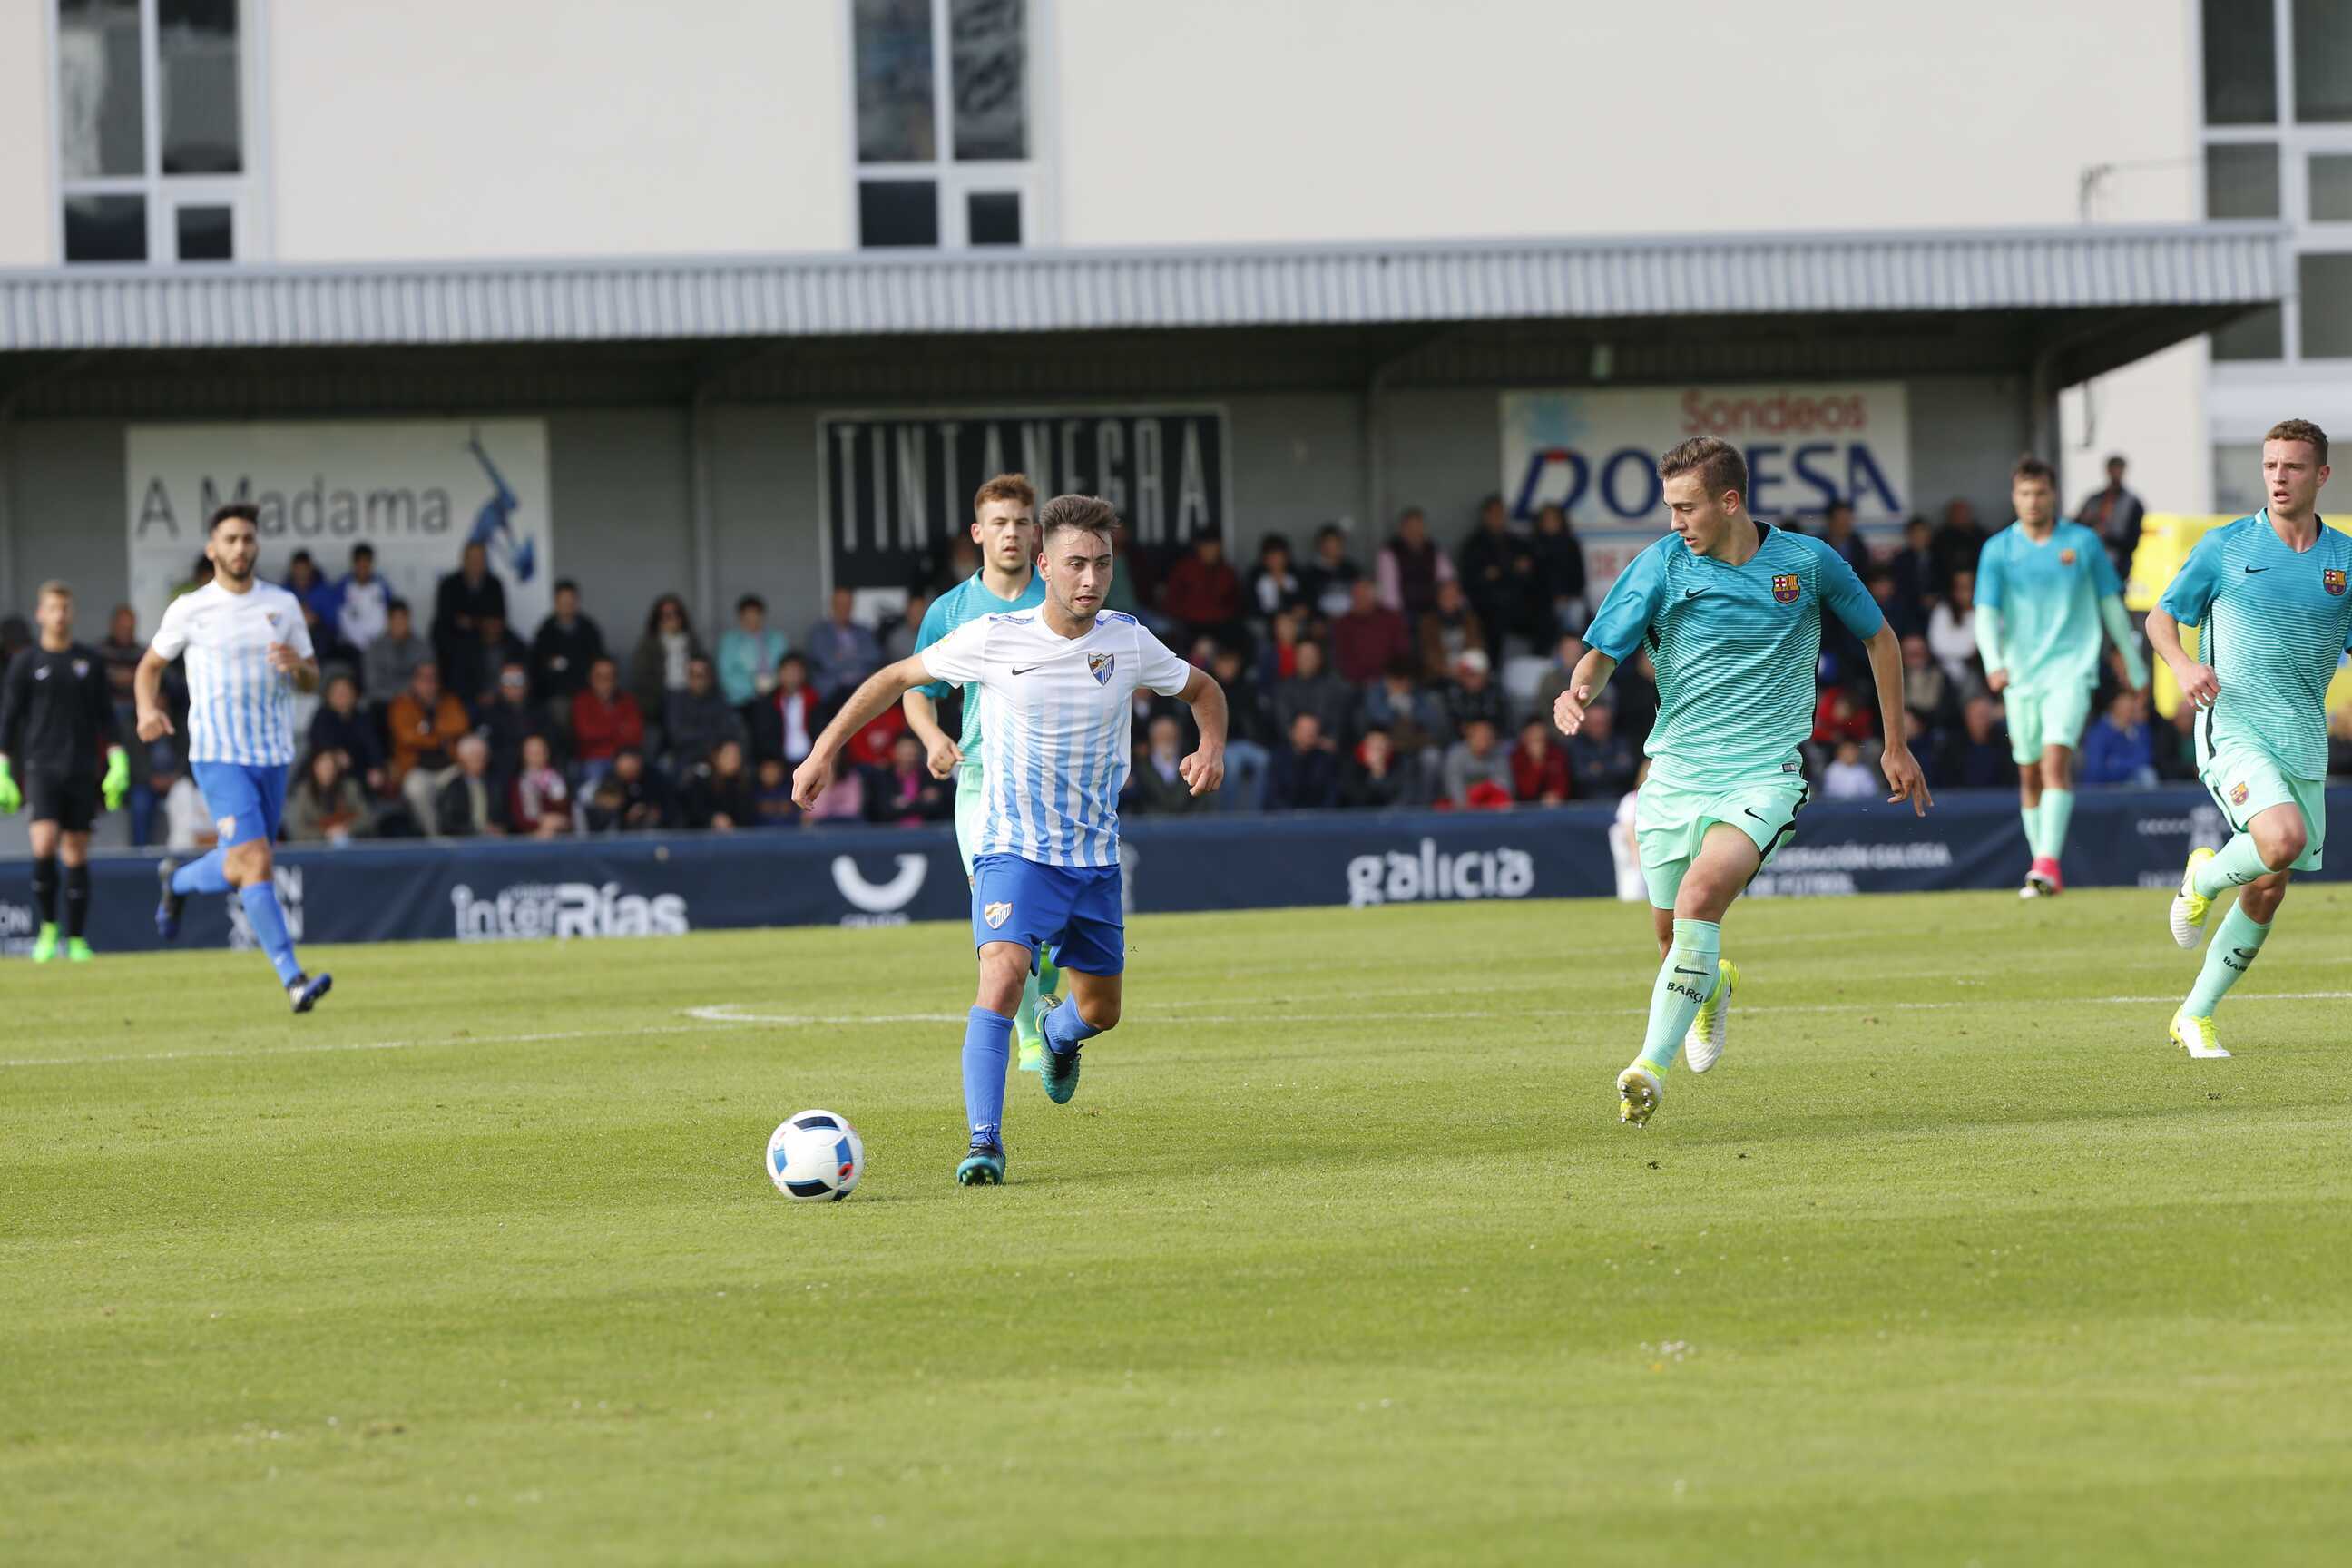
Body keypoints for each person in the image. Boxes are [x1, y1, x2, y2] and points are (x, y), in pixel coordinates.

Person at [791, 493, 1228, 1187]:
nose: (1091, 578)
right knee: (1001, 974)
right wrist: (822, 752)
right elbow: (897, 678)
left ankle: (1056, 1035)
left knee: (1101, 1012)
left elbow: (1204, 690)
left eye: (1103, 564)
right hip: (1013, 849)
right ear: (1045, 566)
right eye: (1076, 564)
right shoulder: (995, 638)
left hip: (1093, 859)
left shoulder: (1128, 640)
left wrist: (1211, 748)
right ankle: (985, 1143)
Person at [1557, 436, 1928, 1127]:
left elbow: (1880, 638)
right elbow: (1601, 655)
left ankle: (1647, 1070)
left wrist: (1895, 744)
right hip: (1674, 776)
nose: (1675, 523)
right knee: (1672, 941)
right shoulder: (1661, 565)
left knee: (1700, 899)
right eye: (1670, 509)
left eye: (1686, 508)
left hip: (1763, 774)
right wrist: (1576, 691)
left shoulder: (1807, 563)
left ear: (1730, 502)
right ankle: (1714, 985)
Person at [2149, 419, 2352, 1060]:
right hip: (2234, 729)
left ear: (2321, 475)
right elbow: (2161, 618)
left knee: (2269, 884)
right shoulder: (2226, 546)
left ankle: (2194, 1015)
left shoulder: (2345, 561)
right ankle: (2203, 879)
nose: (2279, 478)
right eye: (2270, 466)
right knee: (2280, 841)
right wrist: (2183, 666)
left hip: (2304, 741)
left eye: (2293, 467)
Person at [137, 505, 332, 1012]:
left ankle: (177, 880)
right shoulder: (191, 609)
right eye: (230, 539)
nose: (240, 547)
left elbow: (312, 677)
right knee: (256, 859)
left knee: (242, 862)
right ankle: (293, 978)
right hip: (218, 756)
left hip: (273, 754)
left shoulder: (282, 605)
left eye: (247, 538)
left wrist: (297, 666)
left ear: (256, 546)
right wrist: (146, 710)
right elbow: (149, 667)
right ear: (212, 549)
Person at [902, 474, 1059, 1068]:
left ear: (1036, 532)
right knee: (1000, 916)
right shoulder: (952, 611)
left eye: (1020, 522)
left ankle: (1045, 978)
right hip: (981, 783)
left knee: (1051, 926)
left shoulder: (1060, 599)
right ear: (978, 533)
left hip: (1052, 782)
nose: (1010, 533)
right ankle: (1031, 1038)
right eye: (999, 523)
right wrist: (933, 737)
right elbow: (916, 691)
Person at [1975, 455, 2149, 897]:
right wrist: (1993, 662)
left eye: (2040, 493)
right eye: (2025, 493)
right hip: (2021, 675)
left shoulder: (2083, 543)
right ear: (2014, 497)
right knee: (2029, 773)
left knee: (2055, 762)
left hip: (2071, 670)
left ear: (2053, 495)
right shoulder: (1998, 549)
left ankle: (2046, 863)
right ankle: (2043, 869)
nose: (2033, 501)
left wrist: (2133, 661)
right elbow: (1986, 613)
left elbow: (2111, 604)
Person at [0, 581, 128, 962]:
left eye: (65, 608)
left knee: (75, 852)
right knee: (43, 844)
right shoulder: (26, 663)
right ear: (41, 614)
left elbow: (106, 716)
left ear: (72, 613)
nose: (59, 615)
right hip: (41, 767)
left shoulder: (89, 661)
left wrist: (117, 760)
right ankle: (48, 928)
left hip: (81, 768)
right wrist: (3, 767)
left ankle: (75, 938)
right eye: (53, 608)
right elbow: (9, 718)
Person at [387, 662, 472, 829]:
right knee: (416, 789)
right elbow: (406, 737)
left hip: (450, 767)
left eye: (432, 679)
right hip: (417, 769)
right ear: (414, 682)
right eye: (423, 679)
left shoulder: (448, 701)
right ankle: (434, 836)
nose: (429, 684)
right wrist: (439, 738)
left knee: (470, 782)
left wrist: (427, 733)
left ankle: (474, 832)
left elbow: (460, 725)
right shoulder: (402, 704)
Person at [431, 541, 506, 679]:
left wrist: (471, 621)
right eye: (472, 558)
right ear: (464, 560)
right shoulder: (448, 584)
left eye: (480, 558)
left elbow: (498, 617)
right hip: (455, 636)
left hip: (485, 636)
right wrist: (478, 621)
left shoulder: (494, 584)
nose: (476, 562)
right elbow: (446, 616)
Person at [307, 671, 387, 796]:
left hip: (359, 769)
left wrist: (376, 767)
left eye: (346, 691)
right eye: (337, 692)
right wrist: (334, 752)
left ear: (354, 694)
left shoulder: (362, 717)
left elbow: (373, 745)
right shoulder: (322, 715)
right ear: (328, 695)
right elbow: (317, 740)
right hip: (328, 769)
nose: (342, 696)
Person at [530, 579, 606, 709]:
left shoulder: (589, 629)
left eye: (570, 601)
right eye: (563, 601)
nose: (567, 605)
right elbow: (537, 667)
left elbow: (598, 661)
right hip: (555, 692)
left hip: (586, 689)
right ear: (556, 602)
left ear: (577, 602)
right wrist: (550, 666)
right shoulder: (545, 631)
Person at [571, 656, 645, 784]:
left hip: (625, 758)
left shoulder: (628, 701)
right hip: (593, 759)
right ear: (591, 678)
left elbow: (637, 735)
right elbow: (585, 734)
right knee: (594, 777)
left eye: (609, 676)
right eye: (599, 676)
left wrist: (602, 731)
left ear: (616, 679)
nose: (604, 681)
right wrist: (619, 729)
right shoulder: (581, 701)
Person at [664, 654, 747, 770]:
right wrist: (709, 736)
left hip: (715, 758)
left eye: (701, 675)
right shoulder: (677, 700)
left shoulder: (720, 699)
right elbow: (677, 735)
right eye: (692, 674)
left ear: (709, 677)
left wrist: (700, 736)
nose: (696, 680)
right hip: (685, 759)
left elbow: (728, 731)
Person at [629, 593, 702, 722]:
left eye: (676, 614)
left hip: (690, 695)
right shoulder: (648, 644)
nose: (672, 619)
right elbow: (641, 676)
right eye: (667, 615)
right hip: (660, 699)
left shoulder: (692, 641)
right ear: (658, 619)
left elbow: (703, 669)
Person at [1160, 533, 1243, 644]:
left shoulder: (1227, 573)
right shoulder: (1184, 570)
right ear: (1199, 548)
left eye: (1213, 547)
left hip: (1220, 625)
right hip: (1189, 624)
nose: (1210, 551)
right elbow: (1172, 600)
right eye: (1206, 547)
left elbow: (1235, 604)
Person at [1377, 506, 1455, 623]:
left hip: (1433, 609)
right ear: (1402, 529)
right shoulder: (1389, 552)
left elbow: (1448, 580)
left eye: (1418, 526)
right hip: (1404, 612)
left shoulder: (1434, 549)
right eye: (1410, 527)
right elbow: (1389, 594)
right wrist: (1396, 617)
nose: (1414, 531)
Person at [1331, 577, 1413, 685]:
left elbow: (1402, 651)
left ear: (1374, 598)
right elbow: (1342, 657)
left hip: (1390, 680)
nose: (1358, 600)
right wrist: (1361, 679)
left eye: (1362, 596)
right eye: (1355, 596)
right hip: (1355, 682)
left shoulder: (1392, 619)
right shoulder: (1343, 624)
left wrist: (1391, 677)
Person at [2077, 454, 2147, 582]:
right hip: (2091, 565)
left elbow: (2133, 541)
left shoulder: (2133, 504)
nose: (2115, 473)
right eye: (2113, 469)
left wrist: (2107, 536)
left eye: (2118, 469)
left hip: (2117, 568)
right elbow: (2078, 526)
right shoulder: (2094, 500)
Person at [806, 586, 882, 701]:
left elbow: (874, 657)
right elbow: (828, 663)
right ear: (832, 605)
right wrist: (856, 657)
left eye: (847, 604)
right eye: (839, 604)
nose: (844, 608)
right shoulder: (819, 633)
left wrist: (843, 657)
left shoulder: (864, 631)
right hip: (833, 689)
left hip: (861, 686)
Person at [283, 748, 373, 845]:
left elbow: (367, 818)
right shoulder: (303, 793)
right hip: (315, 848)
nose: (326, 771)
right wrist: (325, 834)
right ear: (314, 768)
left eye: (330, 767)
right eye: (322, 767)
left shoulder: (349, 788)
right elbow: (297, 830)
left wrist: (346, 829)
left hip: (351, 845)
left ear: (337, 769)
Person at [861, 732, 951, 827]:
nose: (908, 759)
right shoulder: (883, 777)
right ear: (894, 752)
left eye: (912, 754)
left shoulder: (932, 776)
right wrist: (921, 801)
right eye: (905, 753)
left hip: (926, 831)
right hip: (890, 832)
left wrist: (905, 805)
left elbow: (938, 807)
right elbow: (882, 810)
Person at [1125, 713, 1206, 816]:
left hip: (1188, 820)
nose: (1166, 741)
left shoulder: (1192, 765)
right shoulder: (1139, 769)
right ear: (1152, 739)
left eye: (1170, 736)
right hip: (1152, 822)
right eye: (1161, 736)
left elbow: (1200, 800)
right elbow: (1138, 803)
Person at [718, 594, 788, 709]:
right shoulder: (729, 641)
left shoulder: (777, 639)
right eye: (748, 616)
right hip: (742, 699)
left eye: (756, 615)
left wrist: (772, 684)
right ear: (740, 617)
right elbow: (726, 675)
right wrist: (755, 687)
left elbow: (786, 667)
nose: (752, 620)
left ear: (762, 615)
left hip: (776, 696)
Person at [1264, 710, 1340, 810]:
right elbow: (1272, 797)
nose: (1309, 734)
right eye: (1304, 730)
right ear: (1292, 732)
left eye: (1313, 730)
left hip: (1318, 816)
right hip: (1283, 816)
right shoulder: (1277, 759)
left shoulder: (1325, 760)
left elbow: (1331, 796)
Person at [754, 652, 820, 767]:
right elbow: (764, 737)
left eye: (796, 672)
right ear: (779, 674)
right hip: (780, 761)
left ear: (803, 674)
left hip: (811, 759)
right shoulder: (769, 702)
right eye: (788, 672)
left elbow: (821, 730)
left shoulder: (813, 699)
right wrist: (772, 759)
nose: (792, 677)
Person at [2080, 689, 2157, 787]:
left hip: (2132, 783)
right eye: (2125, 704)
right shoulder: (2098, 733)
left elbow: (2145, 759)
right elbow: (2095, 770)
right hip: (2102, 789)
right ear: (2114, 704)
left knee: (2146, 775)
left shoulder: (2140, 729)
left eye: (2131, 704)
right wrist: (2125, 766)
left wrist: (2117, 764)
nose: (2129, 708)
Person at [363, 599, 430, 703]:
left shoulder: (422, 647)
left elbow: (428, 679)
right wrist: (399, 694)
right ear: (388, 621)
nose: (398, 623)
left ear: (408, 619)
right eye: (394, 619)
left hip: (416, 701)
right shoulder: (374, 648)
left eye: (402, 618)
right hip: (384, 702)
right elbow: (372, 686)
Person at [1441, 715, 1514, 808]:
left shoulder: (1499, 756)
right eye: (1480, 735)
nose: (1485, 739)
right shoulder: (1456, 755)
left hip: (1492, 809)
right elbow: (1454, 787)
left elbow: (1505, 787)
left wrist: (1486, 791)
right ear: (1469, 736)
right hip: (1462, 809)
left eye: (1488, 735)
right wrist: (1466, 804)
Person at [509, 732, 573, 837]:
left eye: (540, 752)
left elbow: (568, 813)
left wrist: (557, 821)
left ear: (547, 754)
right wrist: (542, 822)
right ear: (524, 755)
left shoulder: (557, 779)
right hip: (529, 836)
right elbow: (519, 819)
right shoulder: (518, 783)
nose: (536, 756)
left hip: (559, 833)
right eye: (532, 753)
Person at [1926, 569, 1979, 691]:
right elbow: (1938, 646)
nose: (1964, 593)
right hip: (1943, 673)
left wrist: (1956, 645)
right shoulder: (1943, 610)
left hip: (1974, 673)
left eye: (1967, 587)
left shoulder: (1984, 611)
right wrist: (1968, 649)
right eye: (1960, 588)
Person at [1298, 523, 1364, 620]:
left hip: (1352, 619)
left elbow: (1362, 595)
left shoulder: (1351, 569)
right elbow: (1308, 603)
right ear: (1320, 545)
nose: (1332, 548)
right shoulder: (1310, 572)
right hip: (1323, 620)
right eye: (1328, 543)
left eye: (1335, 543)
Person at [1339, 725, 1412, 809]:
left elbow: (1404, 796)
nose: (1378, 751)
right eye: (1373, 746)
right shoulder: (1351, 767)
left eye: (1381, 746)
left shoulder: (1402, 764)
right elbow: (1353, 797)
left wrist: (1380, 772)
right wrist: (1375, 772)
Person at [335, 543, 389, 653]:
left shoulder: (381, 586)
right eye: (360, 564)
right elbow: (337, 617)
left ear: (371, 564)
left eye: (366, 564)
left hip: (378, 644)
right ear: (354, 564)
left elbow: (388, 614)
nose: (363, 568)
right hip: (350, 645)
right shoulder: (343, 587)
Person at [1509, 716, 1570, 805]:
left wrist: (1556, 794)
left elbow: (1562, 784)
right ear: (1524, 736)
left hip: (1555, 805)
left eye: (1540, 736)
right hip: (1525, 806)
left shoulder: (1556, 754)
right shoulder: (1517, 757)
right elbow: (1526, 791)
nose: (1537, 738)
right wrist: (1537, 762)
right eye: (1533, 735)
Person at [1247, 534, 1305, 619]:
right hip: (1264, 619)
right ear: (1264, 559)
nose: (1275, 561)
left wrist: (1283, 590)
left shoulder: (1295, 577)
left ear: (1286, 557)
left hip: (1292, 619)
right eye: (1271, 557)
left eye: (1279, 556)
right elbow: (1252, 608)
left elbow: (1300, 603)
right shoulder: (1256, 578)